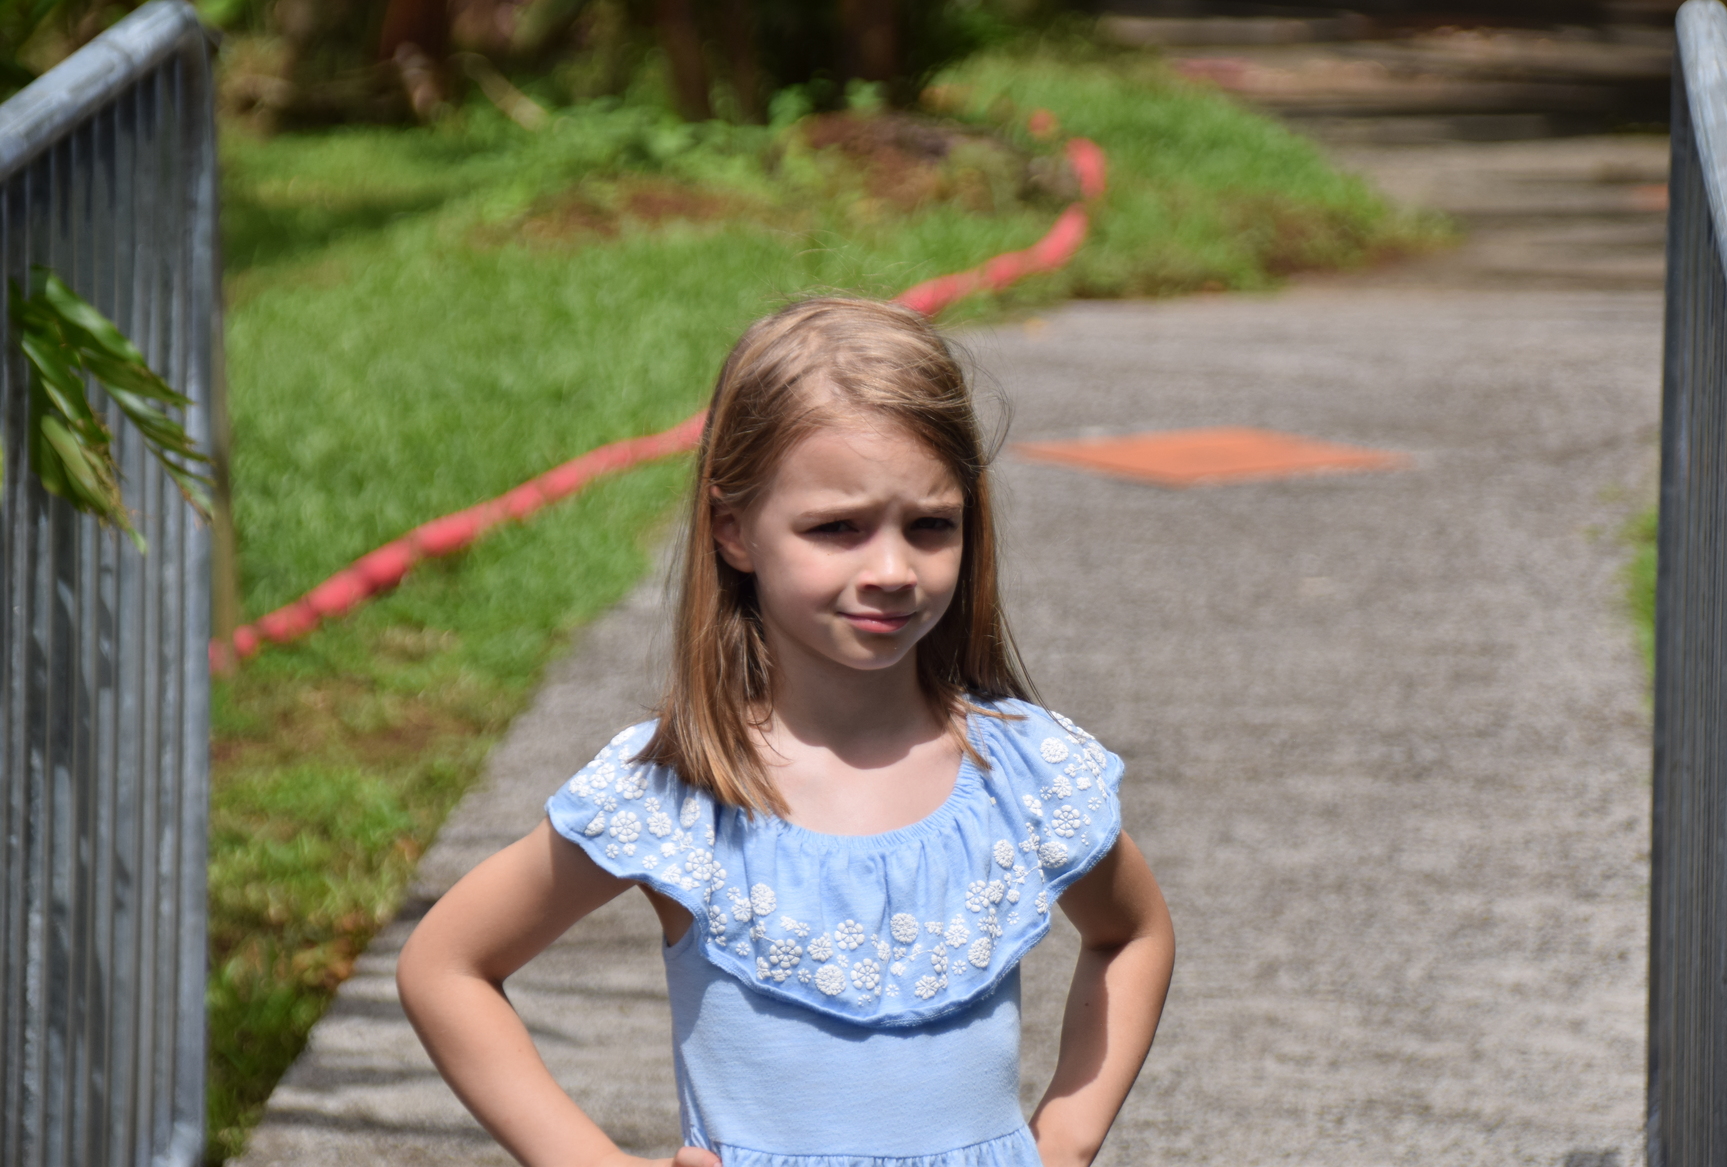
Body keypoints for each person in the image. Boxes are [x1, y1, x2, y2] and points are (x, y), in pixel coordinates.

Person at [397, 297, 1176, 1167]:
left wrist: (1068, 1132)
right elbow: (447, 966)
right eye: (837, 528)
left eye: (931, 525)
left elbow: (1131, 933)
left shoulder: (1020, 771)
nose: (892, 569)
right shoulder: (683, 793)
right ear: (733, 531)